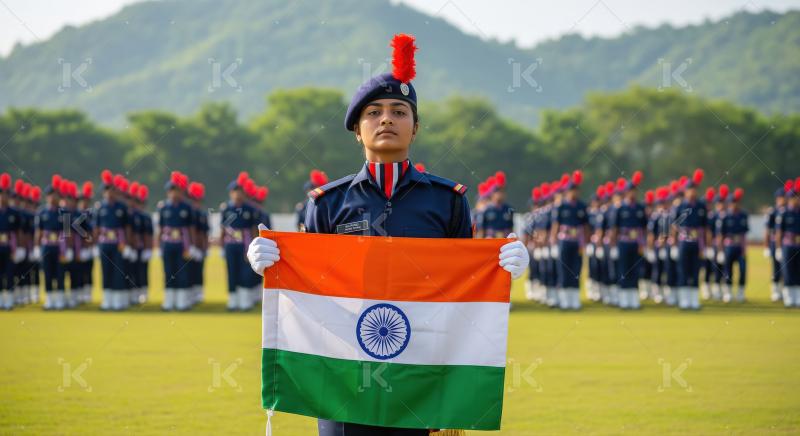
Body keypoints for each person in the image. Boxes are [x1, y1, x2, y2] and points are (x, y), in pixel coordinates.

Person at [246, 33, 528, 436]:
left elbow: (463, 289)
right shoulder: (327, 203)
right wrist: (272, 263)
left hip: (422, 374)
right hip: (343, 375)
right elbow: (309, 289)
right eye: (374, 112)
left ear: (415, 128)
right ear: (357, 131)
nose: (386, 120)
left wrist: (502, 266)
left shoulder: (448, 200)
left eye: (399, 112)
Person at [156, 171, 197, 311]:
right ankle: (169, 301)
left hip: (182, 244)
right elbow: (160, 228)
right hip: (168, 244)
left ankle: (182, 302)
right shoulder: (163, 207)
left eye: (176, 190)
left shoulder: (187, 207)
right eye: (171, 190)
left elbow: (191, 228)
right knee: (168, 272)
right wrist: (158, 247)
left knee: (182, 272)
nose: (174, 193)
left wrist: (192, 245)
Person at [549, 171, 588, 310]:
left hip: (577, 241)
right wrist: (553, 242)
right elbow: (555, 225)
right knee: (564, 269)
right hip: (564, 240)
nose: (574, 193)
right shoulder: (561, 206)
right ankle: (565, 300)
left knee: (576, 269)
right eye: (572, 190)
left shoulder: (582, 206)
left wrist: (587, 243)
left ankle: (575, 300)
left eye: (576, 190)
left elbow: (585, 226)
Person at [94, 171, 133, 311]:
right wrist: (95, 244)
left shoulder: (122, 207)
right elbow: (96, 228)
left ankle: (118, 301)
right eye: (107, 189)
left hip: (119, 244)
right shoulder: (100, 208)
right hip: (105, 244)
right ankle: (107, 300)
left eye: (111, 189)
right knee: (106, 271)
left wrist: (127, 245)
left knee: (119, 271)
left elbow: (127, 227)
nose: (109, 192)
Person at [670, 169, 708, 310]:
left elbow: (705, 228)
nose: (692, 192)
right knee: (683, 270)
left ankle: (694, 300)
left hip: (697, 242)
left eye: (694, 189)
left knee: (696, 270)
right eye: (689, 189)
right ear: (685, 191)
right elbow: (674, 226)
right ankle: (684, 300)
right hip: (683, 241)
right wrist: (673, 245)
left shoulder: (701, 206)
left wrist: (706, 247)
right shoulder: (679, 206)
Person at [608, 171, 646, 309]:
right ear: (626, 192)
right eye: (630, 191)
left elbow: (643, 228)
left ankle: (634, 300)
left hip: (636, 243)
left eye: (634, 190)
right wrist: (613, 246)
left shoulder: (640, 208)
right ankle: (624, 300)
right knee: (623, 271)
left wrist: (644, 244)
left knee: (635, 270)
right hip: (623, 242)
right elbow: (614, 229)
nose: (633, 193)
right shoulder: (620, 208)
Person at [221, 178, 259, 310]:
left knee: (246, 272)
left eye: (240, 191)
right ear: (230, 193)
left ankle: (245, 301)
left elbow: (254, 230)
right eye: (235, 191)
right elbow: (223, 229)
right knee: (232, 272)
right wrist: (222, 247)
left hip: (246, 245)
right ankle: (233, 301)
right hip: (231, 244)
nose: (237, 194)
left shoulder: (250, 209)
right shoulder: (226, 209)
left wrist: (254, 247)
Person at [717, 188, 748, 302]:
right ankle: (728, 292)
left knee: (743, 270)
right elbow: (721, 235)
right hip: (729, 246)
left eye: (736, 202)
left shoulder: (743, 215)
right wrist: (720, 250)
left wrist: (744, 249)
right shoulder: (724, 216)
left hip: (739, 246)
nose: (734, 205)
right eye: (732, 202)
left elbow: (744, 234)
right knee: (728, 270)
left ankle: (740, 293)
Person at [775, 178, 800, 307]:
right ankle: (789, 298)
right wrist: (778, 248)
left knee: (798, 271)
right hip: (788, 245)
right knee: (788, 272)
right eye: (796, 197)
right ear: (790, 199)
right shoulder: (784, 213)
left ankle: (798, 298)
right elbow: (779, 232)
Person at [765, 185, 786, 302]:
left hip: (785, 242)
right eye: (780, 198)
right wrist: (766, 246)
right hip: (774, 242)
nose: (782, 200)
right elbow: (768, 231)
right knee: (776, 268)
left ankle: (784, 290)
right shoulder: (773, 212)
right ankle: (775, 291)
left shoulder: (787, 211)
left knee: (786, 268)